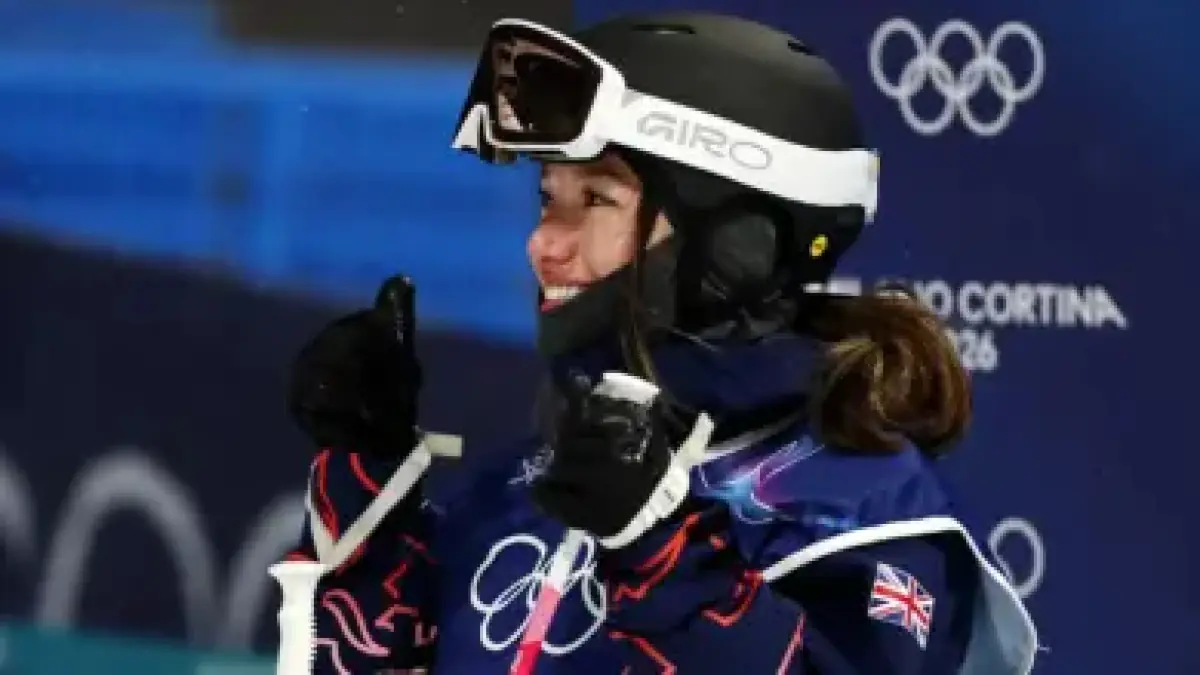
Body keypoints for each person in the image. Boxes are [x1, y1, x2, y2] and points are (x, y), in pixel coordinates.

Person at [272, 12, 1038, 675]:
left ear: (737, 244)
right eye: (548, 197)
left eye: (596, 199)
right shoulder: (531, 483)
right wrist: (368, 485)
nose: (544, 243)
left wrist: (662, 554)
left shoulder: (863, 511)